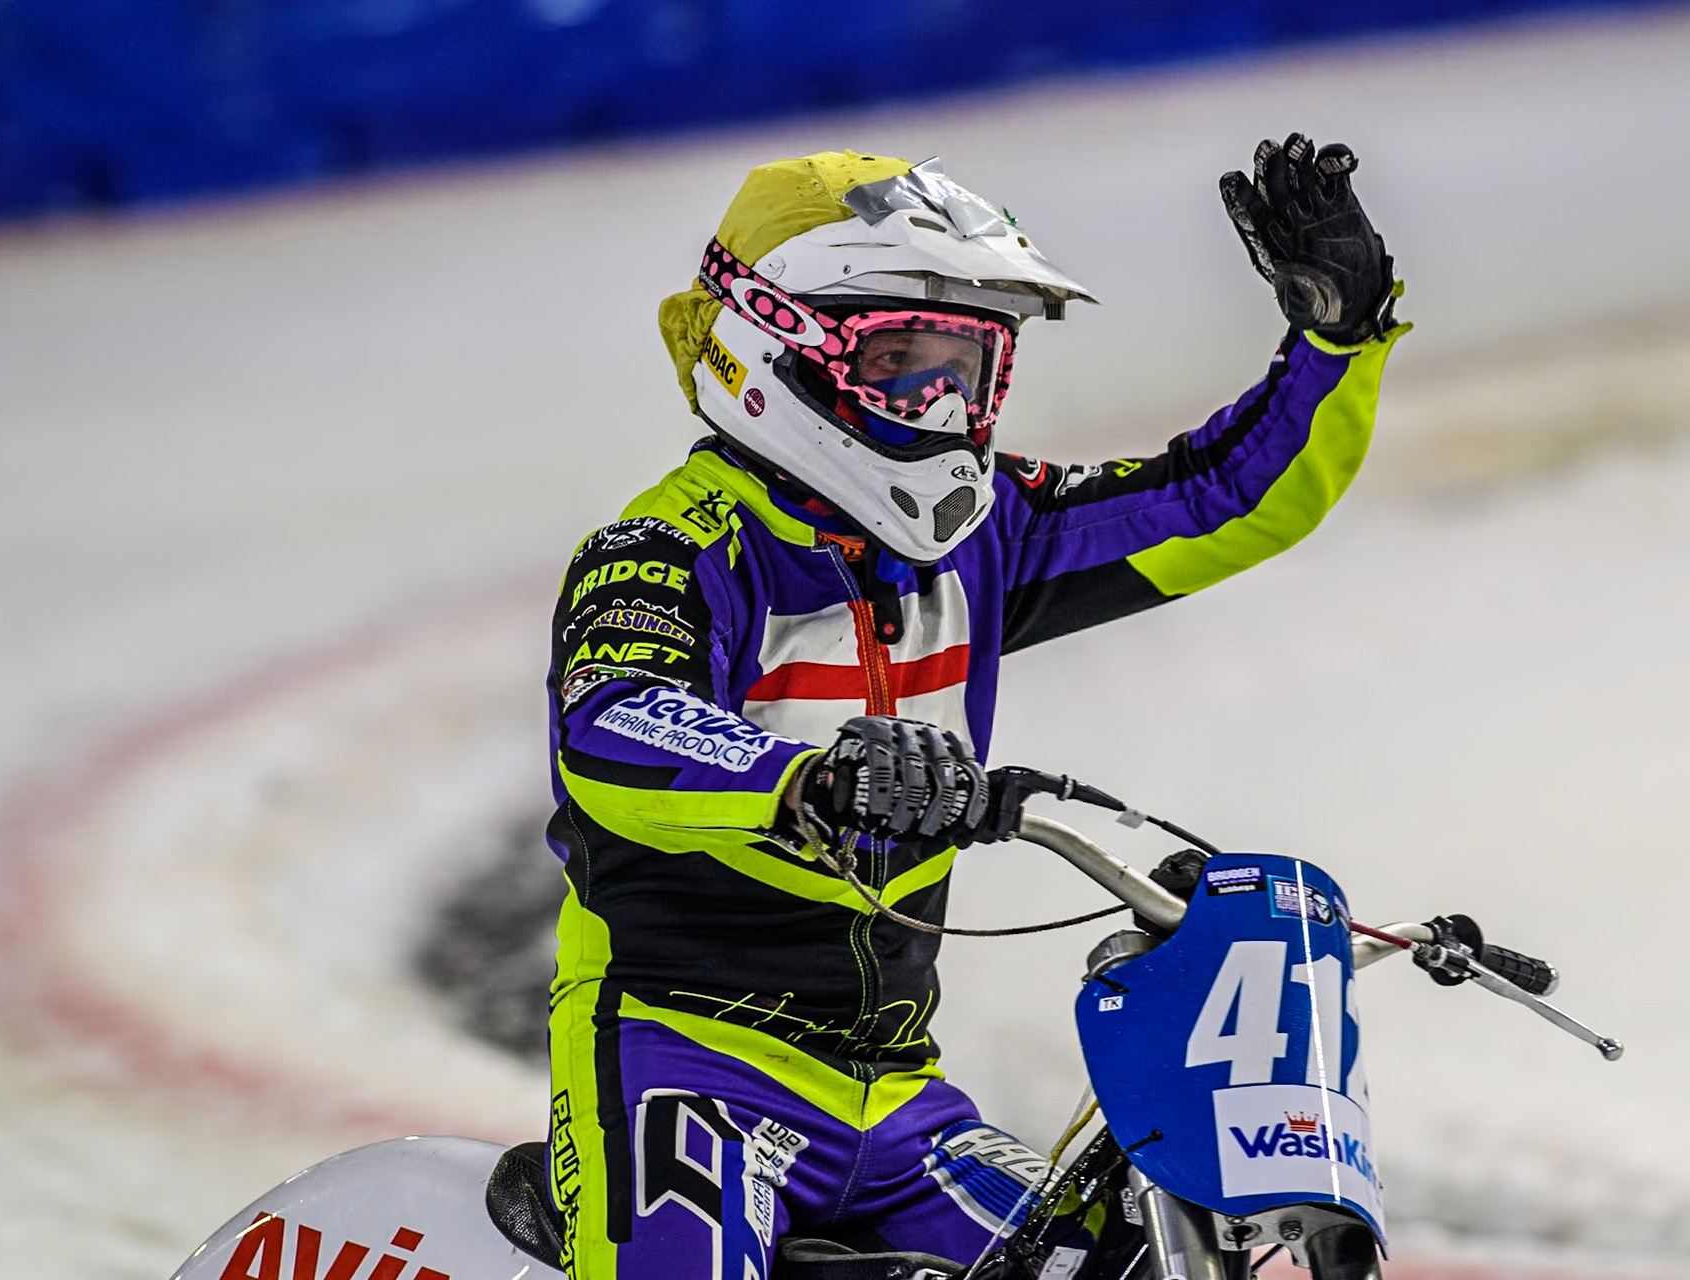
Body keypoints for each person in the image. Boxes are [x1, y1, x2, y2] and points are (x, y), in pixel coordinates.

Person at [543, 139, 1406, 1280]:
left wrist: (1339, 340)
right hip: (685, 1063)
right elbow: (614, 719)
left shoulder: (987, 534)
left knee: (1118, 1262)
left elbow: (1219, 498)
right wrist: (808, 776)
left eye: (970, 367)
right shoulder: (670, 548)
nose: (944, 406)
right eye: (903, 365)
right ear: (771, 346)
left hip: (896, 1092)